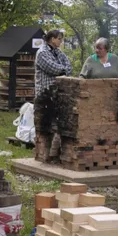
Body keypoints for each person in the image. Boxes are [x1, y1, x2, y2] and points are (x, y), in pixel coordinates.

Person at [34, 29, 72, 162]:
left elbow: (68, 65)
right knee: (46, 127)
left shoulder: (58, 52)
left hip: (58, 93)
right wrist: (64, 70)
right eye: (59, 39)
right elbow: (52, 68)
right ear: (52, 39)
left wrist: (64, 69)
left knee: (59, 126)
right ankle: (44, 156)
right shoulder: (42, 53)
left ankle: (54, 155)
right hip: (45, 95)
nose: (61, 41)